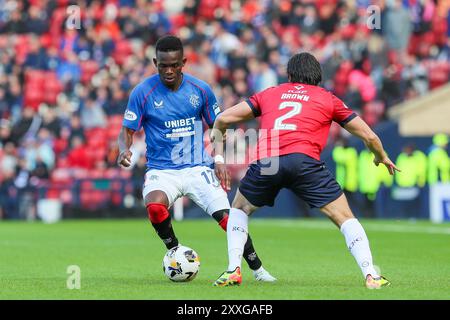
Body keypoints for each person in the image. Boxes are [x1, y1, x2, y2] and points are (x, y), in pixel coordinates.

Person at [211, 52, 400, 289]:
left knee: (239, 209)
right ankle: (371, 275)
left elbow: (223, 118)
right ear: (318, 76)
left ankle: (232, 271)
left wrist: (219, 142)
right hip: (304, 162)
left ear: (289, 75)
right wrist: (381, 156)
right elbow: (369, 135)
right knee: (345, 218)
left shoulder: (271, 93)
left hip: (268, 162)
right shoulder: (327, 98)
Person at [117, 35, 275, 281]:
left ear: (184, 62)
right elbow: (126, 130)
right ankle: (174, 249)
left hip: (197, 167)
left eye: (174, 65)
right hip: (162, 170)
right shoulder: (142, 92)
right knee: (155, 206)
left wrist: (219, 159)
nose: (168, 70)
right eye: (162, 65)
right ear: (154, 62)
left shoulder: (201, 90)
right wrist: (123, 149)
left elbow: (218, 127)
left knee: (228, 219)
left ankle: (258, 269)